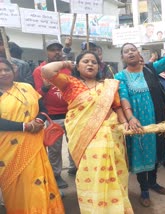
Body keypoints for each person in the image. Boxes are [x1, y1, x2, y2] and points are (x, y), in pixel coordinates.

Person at [41, 51, 133, 213]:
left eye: (94, 62)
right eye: (85, 61)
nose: (90, 64)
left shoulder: (108, 85)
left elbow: (117, 107)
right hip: (85, 137)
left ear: (99, 67)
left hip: (111, 134)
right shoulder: (69, 83)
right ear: (77, 65)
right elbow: (47, 71)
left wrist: (125, 123)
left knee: (113, 172)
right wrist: (65, 64)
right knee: (91, 172)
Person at [115, 42, 165, 207]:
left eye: (132, 50)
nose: (130, 53)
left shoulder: (150, 69)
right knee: (141, 153)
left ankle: (153, 182)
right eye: (126, 51)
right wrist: (130, 118)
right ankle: (144, 189)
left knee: (157, 149)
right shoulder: (120, 77)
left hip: (157, 118)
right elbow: (123, 98)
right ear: (122, 57)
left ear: (139, 54)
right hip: (138, 122)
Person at [0, 57, 64, 213]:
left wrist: (38, 120)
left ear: (13, 70)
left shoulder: (26, 87)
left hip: (34, 141)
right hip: (8, 149)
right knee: (16, 185)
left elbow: (43, 109)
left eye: (6, 69)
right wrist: (24, 126)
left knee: (37, 181)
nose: (3, 73)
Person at [33, 39, 77, 189]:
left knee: (74, 144)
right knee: (54, 148)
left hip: (71, 114)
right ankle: (56, 175)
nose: (56, 52)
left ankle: (74, 167)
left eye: (58, 49)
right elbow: (36, 96)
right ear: (46, 52)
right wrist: (45, 88)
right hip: (52, 117)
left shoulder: (68, 69)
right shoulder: (39, 71)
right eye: (52, 49)